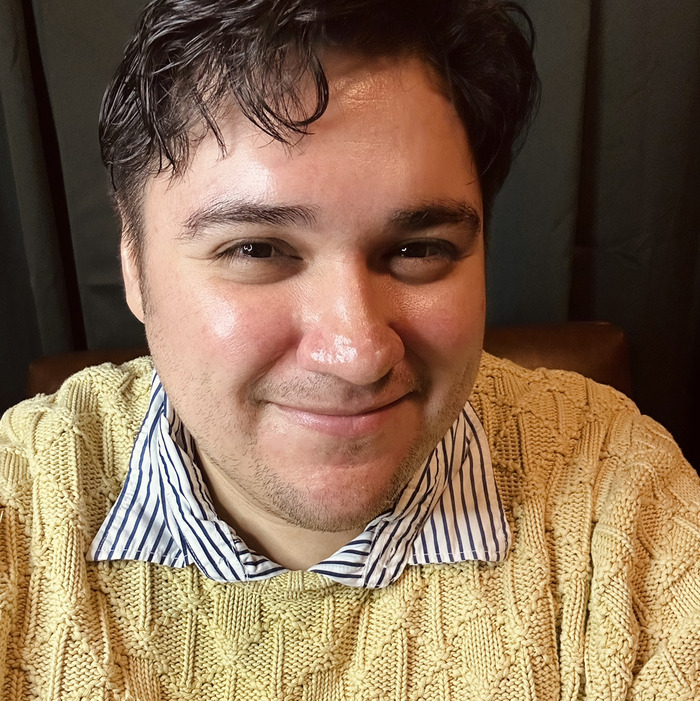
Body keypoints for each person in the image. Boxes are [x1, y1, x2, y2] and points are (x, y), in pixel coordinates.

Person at [1, 0, 699, 698]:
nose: (358, 354)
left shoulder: (619, 499)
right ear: (133, 264)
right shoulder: (23, 504)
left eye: (418, 249)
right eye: (256, 249)